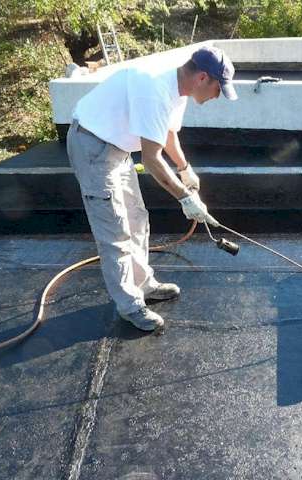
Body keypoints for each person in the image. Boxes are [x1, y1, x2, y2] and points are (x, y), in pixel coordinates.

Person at [66, 46, 238, 332]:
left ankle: (144, 284)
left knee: (136, 218)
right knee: (115, 230)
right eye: (219, 89)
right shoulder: (155, 88)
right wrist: (186, 198)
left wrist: (185, 169)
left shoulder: (179, 88)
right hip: (93, 147)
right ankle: (130, 305)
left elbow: (167, 133)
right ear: (203, 78)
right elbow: (151, 159)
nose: (217, 96)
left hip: (117, 149)